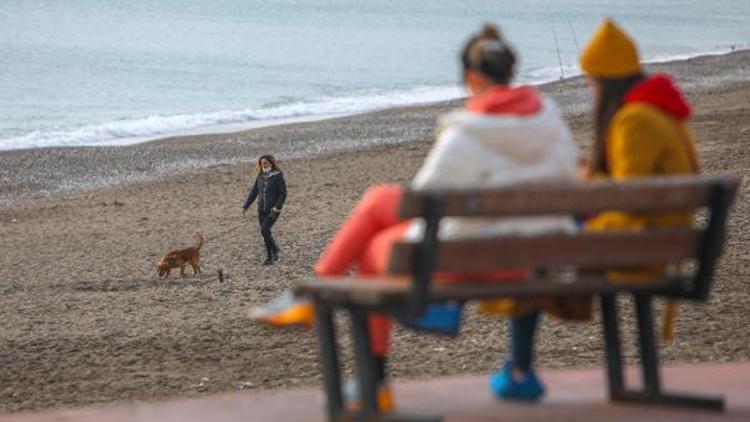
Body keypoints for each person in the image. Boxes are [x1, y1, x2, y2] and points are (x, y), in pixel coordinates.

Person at [249, 24, 578, 410]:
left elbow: (422, 201)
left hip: (475, 262)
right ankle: (313, 302)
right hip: (537, 258)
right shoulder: (550, 120)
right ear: (511, 73)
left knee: (374, 240)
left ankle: (368, 373)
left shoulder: (468, 132)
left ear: (473, 77)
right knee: (382, 201)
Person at [486, 17, 702, 403]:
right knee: (545, 237)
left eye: (590, 83)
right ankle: (519, 366)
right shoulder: (657, 108)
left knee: (535, 245)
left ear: (605, 80)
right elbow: (632, 190)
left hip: (645, 247)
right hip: (663, 239)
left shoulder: (634, 119)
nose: (590, 92)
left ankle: (519, 368)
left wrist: (586, 191)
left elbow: (628, 199)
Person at [243, 155, 287, 266]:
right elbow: (254, 191)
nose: (264, 165)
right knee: (265, 232)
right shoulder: (260, 176)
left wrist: (277, 207)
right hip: (261, 210)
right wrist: (246, 205)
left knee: (264, 230)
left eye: (266, 163)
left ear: (271, 163)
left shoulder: (277, 176)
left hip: (273, 210)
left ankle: (270, 256)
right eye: (262, 163)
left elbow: (283, 193)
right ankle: (274, 249)